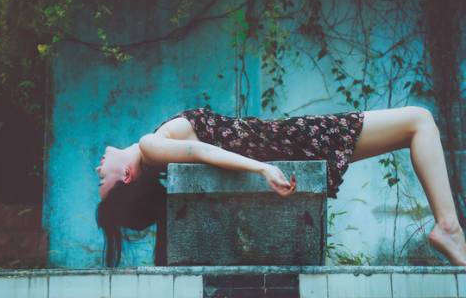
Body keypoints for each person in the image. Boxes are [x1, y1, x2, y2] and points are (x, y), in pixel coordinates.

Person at [95, 105, 466, 267]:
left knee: (418, 123)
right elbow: (201, 150)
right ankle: (448, 226)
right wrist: (262, 168)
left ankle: (449, 227)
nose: (98, 166)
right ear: (127, 176)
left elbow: (201, 149)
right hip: (289, 139)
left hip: (285, 138)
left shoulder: (155, 148)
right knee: (419, 121)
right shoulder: (149, 146)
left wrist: (261, 165)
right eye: (101, 177)